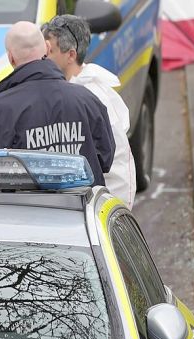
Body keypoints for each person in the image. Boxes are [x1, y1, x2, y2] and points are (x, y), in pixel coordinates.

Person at [0, 21, 115, 187]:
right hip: (80, 203)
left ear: (11, 57)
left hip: (25, 204)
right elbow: (105, 159)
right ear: (47, 48)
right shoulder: (88, 101)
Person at [43, 14, 136, 206]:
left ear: (71, 55)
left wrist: (113, 212)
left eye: (50, 51)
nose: (44, 57)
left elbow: (118, 164)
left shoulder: (96, 98)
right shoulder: (65, 89)